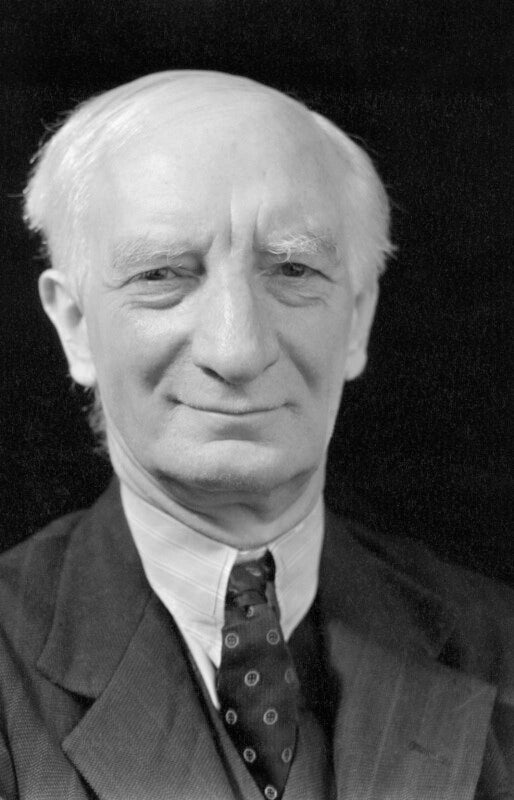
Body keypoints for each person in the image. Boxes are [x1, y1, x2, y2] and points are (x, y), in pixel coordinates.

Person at [0, 70, 512, 800]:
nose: (237, 349)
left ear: (357, 319)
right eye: (163, 274)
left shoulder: (498, 644)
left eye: (293, 269)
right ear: (75, 325)